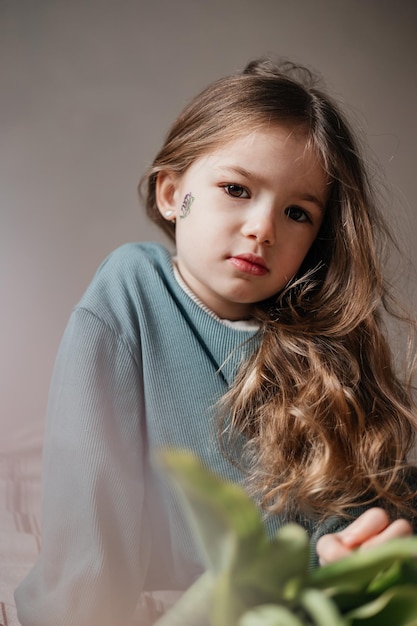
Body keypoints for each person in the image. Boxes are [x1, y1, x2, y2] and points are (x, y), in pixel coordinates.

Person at [15, 58, 417, 626]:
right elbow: (89, 490)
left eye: (297, 212)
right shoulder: (133, 290)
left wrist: (357, 554)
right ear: (172, 194)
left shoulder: (324, 350)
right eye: (236, 189)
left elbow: (345, 520)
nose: (263, 227)